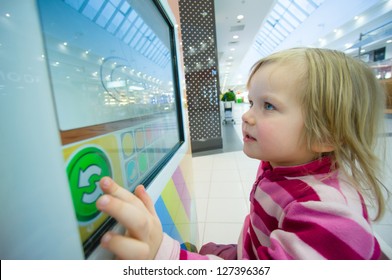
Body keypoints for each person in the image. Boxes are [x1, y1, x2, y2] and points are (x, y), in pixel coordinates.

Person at [96, 47, 387, 260]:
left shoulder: (327, 218)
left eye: (268, 106)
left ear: (325, 135)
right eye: (250, 102)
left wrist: (167, 256)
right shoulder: (281, 164)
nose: (246, 116)